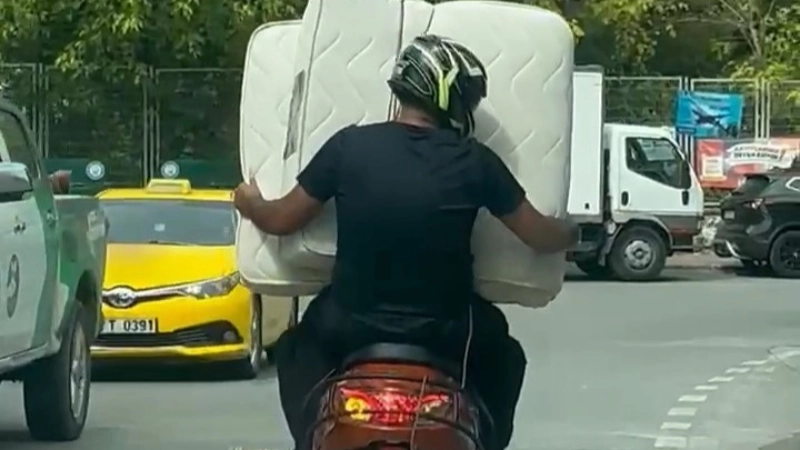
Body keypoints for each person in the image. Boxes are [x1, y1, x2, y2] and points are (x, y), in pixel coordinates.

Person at [234, 35, 578, 450]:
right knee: (505, 358)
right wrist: (571, 231)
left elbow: (280, 220)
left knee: (294, 349)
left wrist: (248, 202)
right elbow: (539, 235)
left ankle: (312, 440)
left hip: (348, 324)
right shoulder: (474, 161)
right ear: (451, 98)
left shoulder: (348, 146)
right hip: (447, 331)